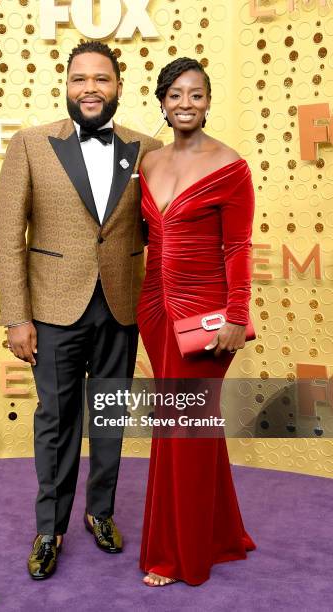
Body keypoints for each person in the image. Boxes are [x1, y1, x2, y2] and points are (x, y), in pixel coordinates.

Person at [0, 41, 162, 580]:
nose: (90, 88)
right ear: (67, 85)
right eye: (80, 79)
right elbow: (7, 236)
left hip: (121, 306)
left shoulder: (148, 148)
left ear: (118, 85)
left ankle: (101, 512)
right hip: (51, 307)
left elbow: (160, 229)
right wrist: (16, 316)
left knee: (110, 417)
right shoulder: (30, 143)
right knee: (56, 421)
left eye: (102, 79)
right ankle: (50, 528)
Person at [137, 57, 256, 586]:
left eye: (197, 94)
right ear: (162, 101)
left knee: (183, 427)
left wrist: (236, 316)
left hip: (208, 317)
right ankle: (222, 534)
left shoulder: (230, 164)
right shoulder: (149, 162)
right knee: (188, 425)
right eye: (176, 95)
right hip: (156, 310)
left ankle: (177, 556)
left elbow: (238, 247)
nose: (186, 104)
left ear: (209, 102)